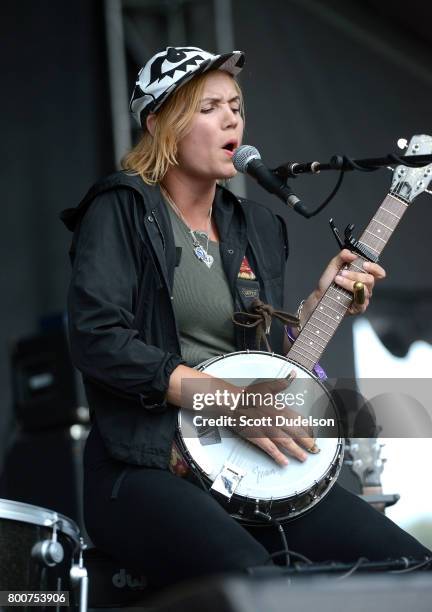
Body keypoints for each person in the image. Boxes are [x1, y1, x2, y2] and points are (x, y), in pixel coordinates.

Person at [61, 46, 430, 589]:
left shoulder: (256, 225)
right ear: (159, 122)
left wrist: (313, 309)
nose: (232, 117)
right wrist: (229, 404)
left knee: (412, 571)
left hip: (252, 463)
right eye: (209, 107)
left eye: (236, 105)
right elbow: (99, 342)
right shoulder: (122, 207)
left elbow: (265, 365)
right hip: (145, 465)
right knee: (257, 582)